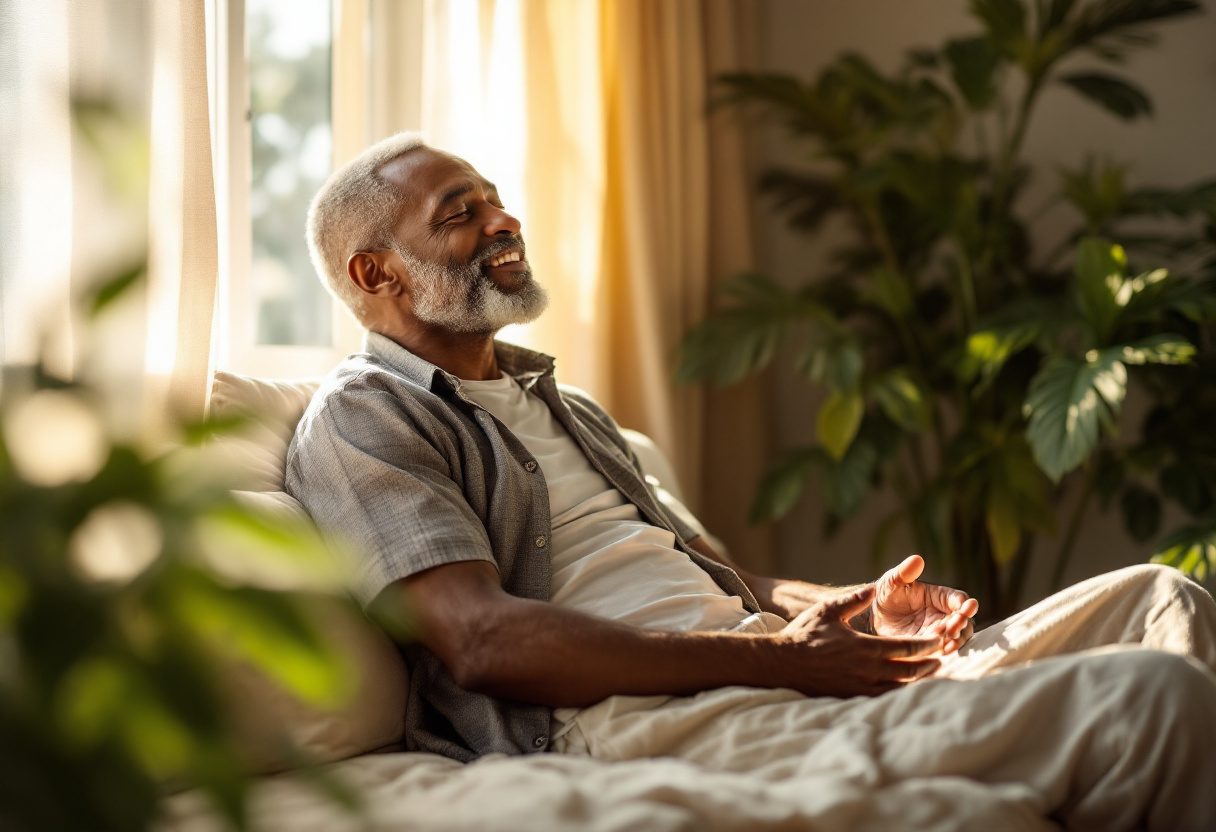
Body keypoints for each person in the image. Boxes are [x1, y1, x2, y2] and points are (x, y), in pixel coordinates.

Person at [285, 132, 1216, 831]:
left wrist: (852, 611)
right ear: (376, 272)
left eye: (496, 200)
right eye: (460, 213)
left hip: (757, 666)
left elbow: (721, 574)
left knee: (1160, 597)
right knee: (1150, 697)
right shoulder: (369, 416)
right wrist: (784, 664)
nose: (504, 222)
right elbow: (482, 642)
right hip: (639, 718)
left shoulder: (567, 405)